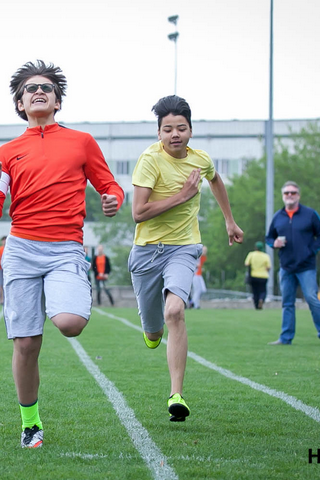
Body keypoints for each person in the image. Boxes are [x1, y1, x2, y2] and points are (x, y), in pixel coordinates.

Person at [0, 60, 124, 448]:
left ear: (58, 101)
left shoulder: (82, 142)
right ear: (20, 103)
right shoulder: (7, 151)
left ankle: (70, 293)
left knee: (70, 323)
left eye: (46, 88)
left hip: (65, 248)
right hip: (21, 249)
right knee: (26, 344)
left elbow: (110, 185)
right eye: (30, 89)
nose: (39, 92)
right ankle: (31, 424)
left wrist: (113, 199)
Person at [129, 95, 243, 422]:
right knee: (154, 332)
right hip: (147, 251)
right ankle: (152, 333)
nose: (175, 134)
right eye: (168, 129)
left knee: (175, 311)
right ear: (159, 133)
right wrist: (183, 196)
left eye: (181, 128)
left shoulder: (200, 159)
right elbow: (138, 213)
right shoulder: (149, 160)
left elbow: (215, 180)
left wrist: (229, 220)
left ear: (190, 130)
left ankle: (176, 394)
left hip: (184, 247)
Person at [266, 181, 320, 346]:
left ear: (298, 196)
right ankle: (285, 338)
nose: (290, 195)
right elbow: (269, 238)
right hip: (286, 267)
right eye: (286, 193)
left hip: (306, 266)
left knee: (311, 299)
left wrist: (311, 251)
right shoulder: (278, 217)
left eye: (293, 193)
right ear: (283, 196)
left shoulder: (310, 214)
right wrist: (274, 243)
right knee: (287, 303)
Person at [245, 241, 271, 309]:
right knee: (263, 290)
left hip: (253, 275)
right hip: (263, 276)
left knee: (255, 291)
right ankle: (261, 299)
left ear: (255, 247)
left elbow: (247, 264)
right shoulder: (265, 256)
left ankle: (256, 305)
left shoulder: (251, 254)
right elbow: (268, 267)